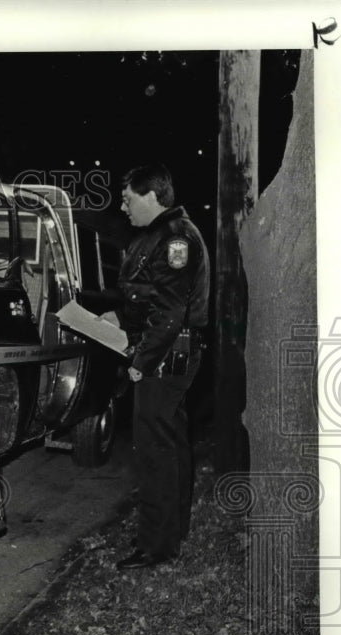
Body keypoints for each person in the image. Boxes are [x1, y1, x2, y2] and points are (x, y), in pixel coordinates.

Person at [114, 164, 210, 570]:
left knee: (155, 452)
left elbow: (171, 313)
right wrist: (117, 320)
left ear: (152, 196)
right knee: (168, 447)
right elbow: (152, 301)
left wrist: (142, 361)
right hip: (172, 352)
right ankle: (169, 536)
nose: (122, 207)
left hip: (168, 355)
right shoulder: (164, 235)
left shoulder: (175, 239)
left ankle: (155, 547)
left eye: (128, 199)